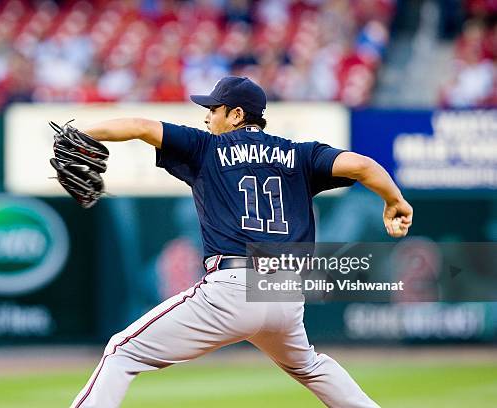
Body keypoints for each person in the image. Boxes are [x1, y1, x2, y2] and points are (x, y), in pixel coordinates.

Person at [70, 76, 413, 408]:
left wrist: (82, 133)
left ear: (236, 115)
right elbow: (362, 165)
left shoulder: (206, 147)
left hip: (231, 287)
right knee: (308, 366)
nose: (207, 116)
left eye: (214, 108)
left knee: (121, 351)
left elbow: (140, 127)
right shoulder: (299, 154)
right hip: (285, 294)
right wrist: (394, 200)